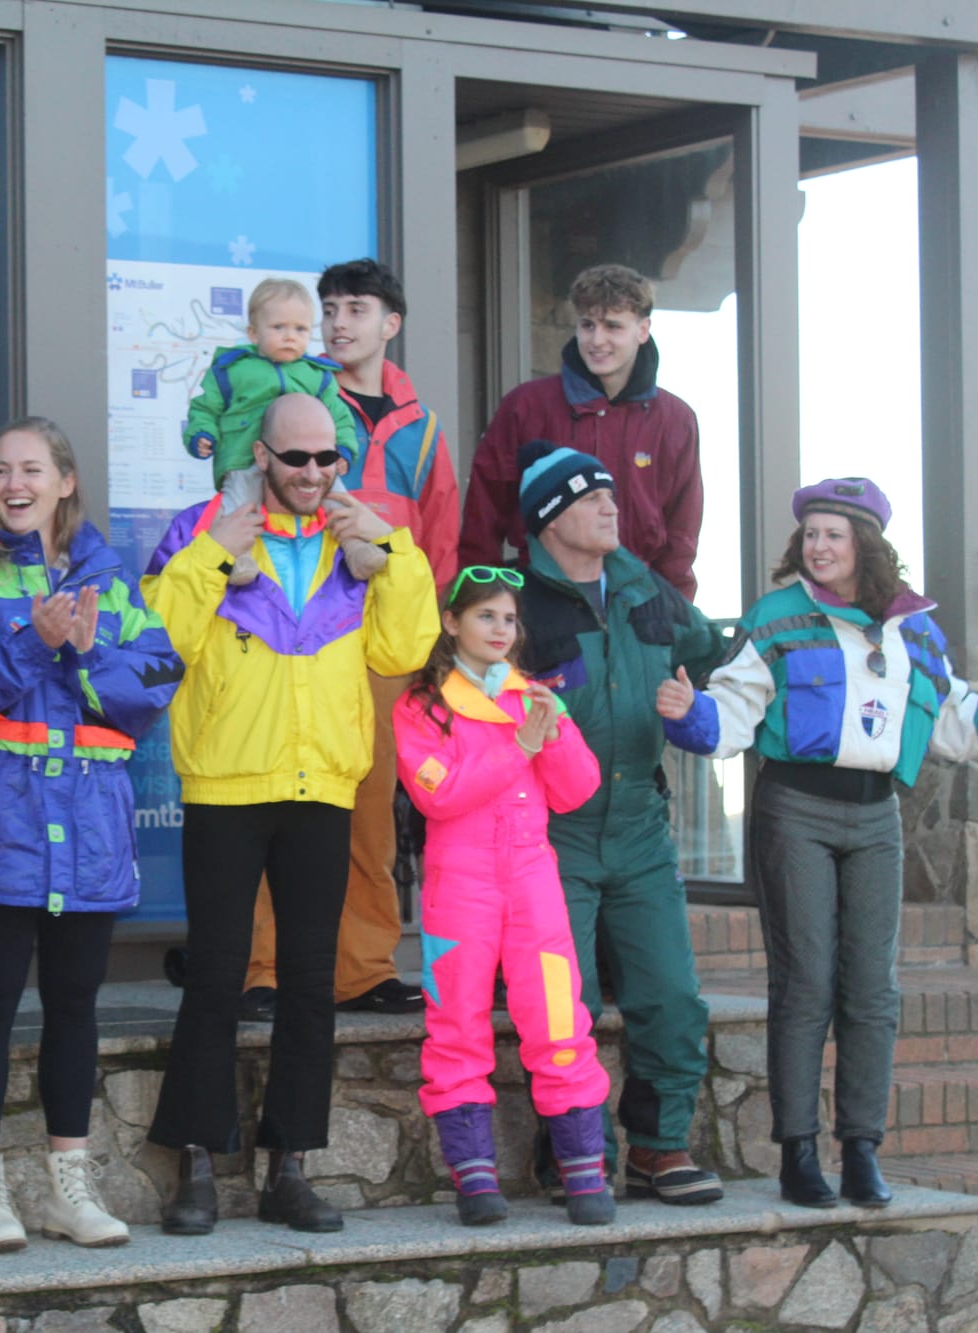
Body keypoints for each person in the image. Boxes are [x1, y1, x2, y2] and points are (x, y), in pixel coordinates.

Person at [657, 477, 978, 1208]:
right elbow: (736, 714)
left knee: (873, 990)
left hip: (878, 816)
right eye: (809, 533)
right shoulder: (777, 618)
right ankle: (798, 1154)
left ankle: (862, 1149)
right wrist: (692, 715)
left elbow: (957, 721)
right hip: (796, 810)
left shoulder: (913, 629)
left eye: (832, 534)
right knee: (807, 980)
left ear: (864, 545)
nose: (817, 546)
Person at [142, 393, 437, 1235]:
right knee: (217, 978)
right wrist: (209, 557)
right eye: (296, 458)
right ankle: (195, 1164)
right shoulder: (206, 526)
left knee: (311, 986)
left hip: (323, 787)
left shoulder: (366, 535)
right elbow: (160, 640)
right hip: (228, 783)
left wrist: (389, 557)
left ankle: (290, 1167)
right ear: (262, 456)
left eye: (327, 459)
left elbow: (402, 649)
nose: (313, 473)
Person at [0, 416, 181, 1255]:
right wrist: (35, 641)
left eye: (31, 469)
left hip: (90, 833)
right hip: (0, 830)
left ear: (66, 481)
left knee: (74, 1006)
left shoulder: (115, 583)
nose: (13, 484)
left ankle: (72, 1183)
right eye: (0, 470)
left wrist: (89, 654)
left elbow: (157, 681)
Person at [239, 258, 463, 1021]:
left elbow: (439, 542)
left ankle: (363, 967)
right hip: (290, 624)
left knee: (370, 808)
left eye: (355, 308)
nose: (337, 321)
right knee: (277, 797)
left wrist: (433, 643)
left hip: (383, 645)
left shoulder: (424, 427)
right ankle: (262, 968)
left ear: (390, 324)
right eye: (328, 307)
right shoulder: (288, 396)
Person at [512, 443, 728, 1207]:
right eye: (592, 496)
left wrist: (695, 710)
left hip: (640, 827)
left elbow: (713, 665)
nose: (612, 506)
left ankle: (660, 1147)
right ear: (551, 518)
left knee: (670, 995)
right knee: (562, 1001)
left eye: (610, 493)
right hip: (551, 837)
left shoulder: (648, 591)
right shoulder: (515, 605)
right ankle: (575, 1150)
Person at [395, 568, 614, 1228]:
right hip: (458, 888)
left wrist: (555, 731)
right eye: (486, 616)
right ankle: (474, 1176)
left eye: (509, 619)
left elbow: (577, 789)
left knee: (559, 1023)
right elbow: (439, 794)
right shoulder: (422, 704)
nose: (500, 629)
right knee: (456, 1026)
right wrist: (520, 745)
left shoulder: (535, 697)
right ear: (453, 623)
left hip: (533, 885)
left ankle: (584, 1172)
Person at [461, 264, 702, 599]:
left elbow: (682, 533)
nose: (596, 340)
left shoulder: (676, 419)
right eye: (587, 325)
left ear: (643, 330)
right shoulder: (526, 406)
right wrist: (480, 604)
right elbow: (483, 519)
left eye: (612, 326)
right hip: (540, 601)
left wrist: (676, 612)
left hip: (640, 604)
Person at [184, 277, 382, 583]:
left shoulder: (316, 375)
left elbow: (340, 417)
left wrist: (343, 449)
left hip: (306, 464)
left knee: (338, 500)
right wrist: (202, 434)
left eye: (300, 329)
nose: (290, 337)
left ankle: (356, 549)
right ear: (254, 333)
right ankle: (238, 558)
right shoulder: (232, 370)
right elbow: (205, 408)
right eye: (279, 328)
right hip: (242, 458)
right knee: (237, 508)